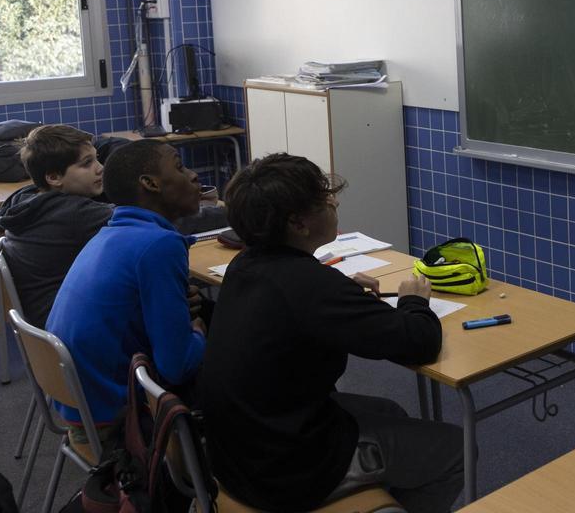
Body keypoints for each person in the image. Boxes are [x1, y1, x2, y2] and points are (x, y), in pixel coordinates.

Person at [198, 154, 463, 513]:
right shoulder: (312, 286)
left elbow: (301, 301)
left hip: (238, 451)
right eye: (323, 200)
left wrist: (338, 290)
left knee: (391, 410)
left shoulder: (246, 265)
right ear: (298, 223)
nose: (334, 202)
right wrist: (414, 301)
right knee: (457, 450)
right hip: (284, 470)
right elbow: (418, 342)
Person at [45, 139, 207, 443]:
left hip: (80, 406)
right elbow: (177, 367)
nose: (193, 175)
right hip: (119, 419)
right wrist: (199, 330)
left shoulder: (112, 231)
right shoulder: (160, 245)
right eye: (179, 166)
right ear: (150, 184)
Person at [0, 125, 226, 326]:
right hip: (83, 327)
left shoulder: (27, 200)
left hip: (55, 326)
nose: (100, 168)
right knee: (213, 314)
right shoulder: (73, 215)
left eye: (97, 158)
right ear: (54, 178)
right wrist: (231, 212)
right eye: (86, 164)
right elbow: (156, 220)